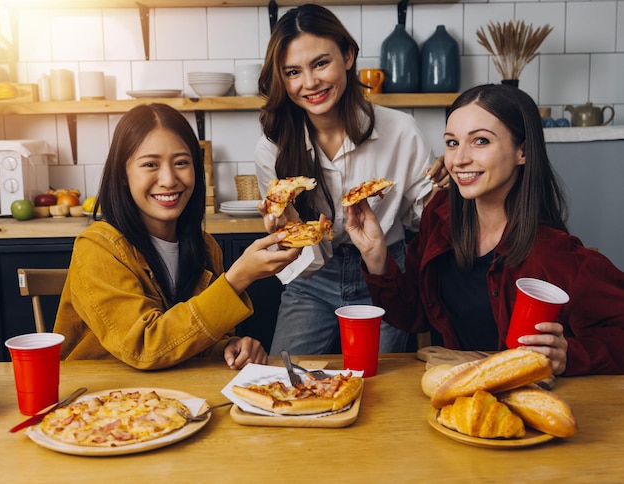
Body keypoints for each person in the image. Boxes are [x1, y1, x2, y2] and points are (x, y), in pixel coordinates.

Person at [345, 83, 624, 376]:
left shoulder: (555, 255)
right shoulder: (440, 217)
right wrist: (375, 255)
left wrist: (570, 356)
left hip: (516, 405)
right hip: (451, 395)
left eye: (480, 141)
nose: (459, 159)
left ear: (523, 151)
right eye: (452, 142)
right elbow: (412, 316)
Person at [254, 4, 445, 356]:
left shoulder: (401, 131)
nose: (309, 83)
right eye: (293, 71)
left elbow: (427, 217)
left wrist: (451, 187)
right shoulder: (272, 147)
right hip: (313, 279)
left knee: (381, 389)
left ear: (348, 55)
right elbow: (298, 254)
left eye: (321, 63)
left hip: (386, 270)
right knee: (284, 375)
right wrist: (287, 230)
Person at [55, 103, 301, 370]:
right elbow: (146, 347)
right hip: (100, 401)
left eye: (181, 163)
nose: (169, 179)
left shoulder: (205, 247)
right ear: (123, 175)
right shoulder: (98, 247)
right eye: (150, 164)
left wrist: (229, 348)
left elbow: (190, 341)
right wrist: (239, 277)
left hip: (178, 398)